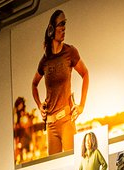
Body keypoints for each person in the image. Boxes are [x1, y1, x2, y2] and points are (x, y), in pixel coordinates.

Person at [31, 9, 89, 155]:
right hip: (51, 125)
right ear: (51, 29)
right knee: (54, 166)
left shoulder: (70, 52)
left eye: (65, 24)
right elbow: (34, 84)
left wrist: (81, 105)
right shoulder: (45, 60)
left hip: (66, 120)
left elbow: (85, 74)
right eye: (61, 24)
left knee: (73, 161)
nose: (64, 28)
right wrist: (39, 106)